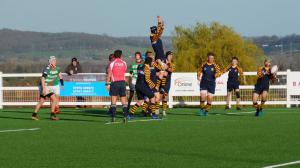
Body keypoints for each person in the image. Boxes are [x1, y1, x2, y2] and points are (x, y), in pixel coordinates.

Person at [32, 56, 64, 120]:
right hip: (45, 86)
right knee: (54, 99)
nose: (55, 62)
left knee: (41, 101)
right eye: (53, 61)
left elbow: (60, 76)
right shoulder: (47, 69)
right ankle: (52, 115)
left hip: (47, 87)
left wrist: (62, 84)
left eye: (55, 60)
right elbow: (43, 78)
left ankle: (34, 115)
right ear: (50, 62)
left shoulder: (57, 68)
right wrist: (44, 88)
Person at [105, 50, 128, 123]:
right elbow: (124, 71)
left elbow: (109, 74)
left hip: (114, 83)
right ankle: (125, 116)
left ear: (114, 56)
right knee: (123, 100)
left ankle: (113, 117)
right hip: (122, 82)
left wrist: (107, 83)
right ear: (121, 55)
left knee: (113, 101)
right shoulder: (124, 63)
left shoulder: (112, 63)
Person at [160, 51, 175, 117]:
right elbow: (158, 68)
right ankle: (156, 110)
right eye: (169, 55)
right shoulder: (162, 62)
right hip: (160, 81)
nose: (170, 57)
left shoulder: (172, 64)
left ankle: (164, 111)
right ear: (166, 56)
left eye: (171, 56)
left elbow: (171, 70)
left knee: (165, 96)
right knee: (159, 95)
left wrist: (166, 68)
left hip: (167, 82)